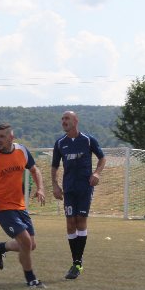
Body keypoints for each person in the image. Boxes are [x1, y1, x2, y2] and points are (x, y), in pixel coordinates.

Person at [0, 123, 47, 288]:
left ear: (11, 137)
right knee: (25, 241)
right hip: (2, 207)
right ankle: (31, 279)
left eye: (2, 136)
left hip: (20, 206)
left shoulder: (22, 151)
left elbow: (35, 170)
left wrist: (40, 188)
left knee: (31, 245)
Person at [50, 111, 106, 280]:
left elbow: (102, 158)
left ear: (75, 121)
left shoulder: (88, 140)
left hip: (84, 187)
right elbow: (54, 166)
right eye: (62, 119)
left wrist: (96, 173)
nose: (63, 121)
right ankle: (76, 262)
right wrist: (55, 185)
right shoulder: (60, 143)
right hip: (69, 188)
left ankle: (77, 263)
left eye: (67, 118)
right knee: (70, 224)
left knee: (80, 221)